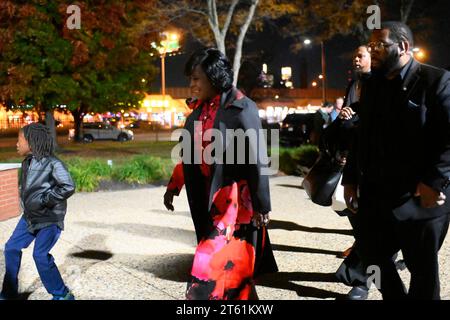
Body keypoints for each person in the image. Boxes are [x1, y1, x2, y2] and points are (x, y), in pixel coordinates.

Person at [343, 21, 450, 300]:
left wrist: (434, 182)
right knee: (373, 255)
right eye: (372, 45)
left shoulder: (436, 81)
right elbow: (361, 136)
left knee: (422, 272)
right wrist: (351, 179)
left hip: (419, 198)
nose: (373, 50)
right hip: (377, 194)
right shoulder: (373, 85)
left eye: (379, 45)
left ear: (402, 46)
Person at [163, 48, 278, 300]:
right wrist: (174, 185)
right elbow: (190, 154)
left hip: (234, 204)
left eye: (196, 78)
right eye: (190, 79)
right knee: (236, 276)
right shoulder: (198, 112)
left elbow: (257, 159)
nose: (191, 84)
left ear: (213, 78)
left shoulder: (241, 107)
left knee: (206, 266)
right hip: (208, 198)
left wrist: (262, 205)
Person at [0, 123, 76, 300]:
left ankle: (62, 294)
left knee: (40, 255)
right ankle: (9, 292)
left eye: (19, 140)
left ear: (31, 143)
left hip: (49, 218)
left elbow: (68, 186)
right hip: (30, 217)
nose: (16, 144)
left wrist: (44, 200)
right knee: (11, 248)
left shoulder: (53, 163)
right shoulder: (27, 162)